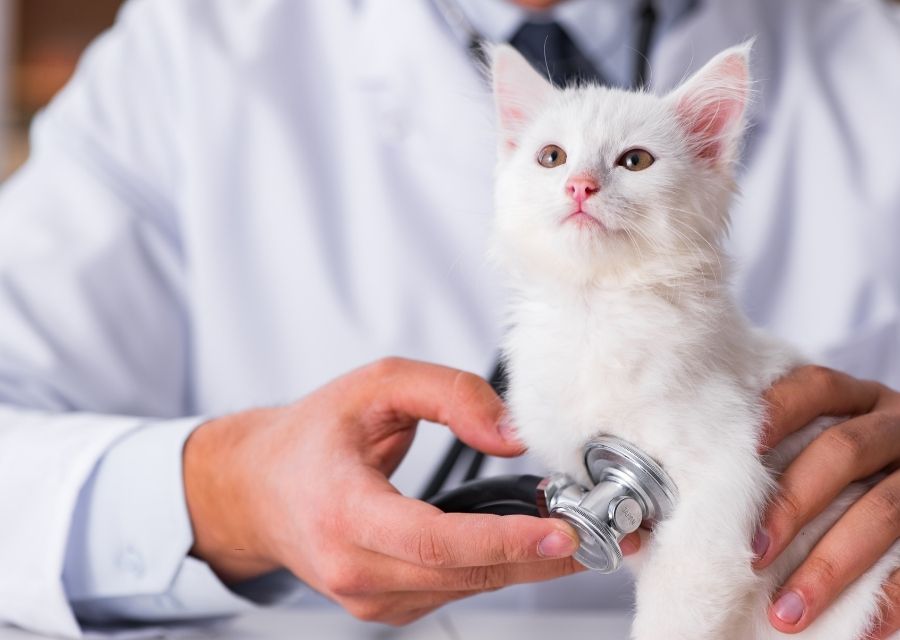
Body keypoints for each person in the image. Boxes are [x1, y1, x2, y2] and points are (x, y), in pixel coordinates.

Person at [1, 0, 899, 637]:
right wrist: (226, 494)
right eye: (549, 158)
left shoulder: (874, 56)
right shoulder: (183, 52)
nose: (581, 184)